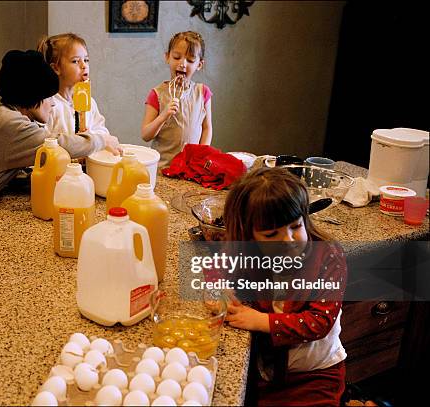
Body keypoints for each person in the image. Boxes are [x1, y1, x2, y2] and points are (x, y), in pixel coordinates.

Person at [218, 167, 347, 406]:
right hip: (266, 373)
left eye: (295, 227)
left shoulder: (328, 255)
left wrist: (260, 320)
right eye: (270, 234)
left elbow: (320, 322)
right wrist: (219, 291)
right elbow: (217, 267)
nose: (287, 240)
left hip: (315, 375)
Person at [0, 49, 113, 199]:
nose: (52, 103)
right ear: (32, 94)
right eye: (48, 96)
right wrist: (102, 140)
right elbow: (58, 145)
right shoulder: (11, 125)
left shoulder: (8, 116)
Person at [37, 33, 121, 156]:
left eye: (86, 60)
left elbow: (101, 130)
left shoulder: (90, 102)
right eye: (75, 61)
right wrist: (79, 142)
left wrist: (91, 135)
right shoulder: (50, 105)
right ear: (56, 68)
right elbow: (44, 140)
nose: (84, 66)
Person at [141, 31, 213, 168]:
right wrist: (163, 115)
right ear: (167, 57)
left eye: (190, 60)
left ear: (199, 64)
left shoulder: (202, 93)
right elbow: (145, 135)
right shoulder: (157, 94)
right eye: (176, 57)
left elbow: (206, 128)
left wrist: (201, 155)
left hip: (190, 168)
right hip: (163, 167)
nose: (182, 64)